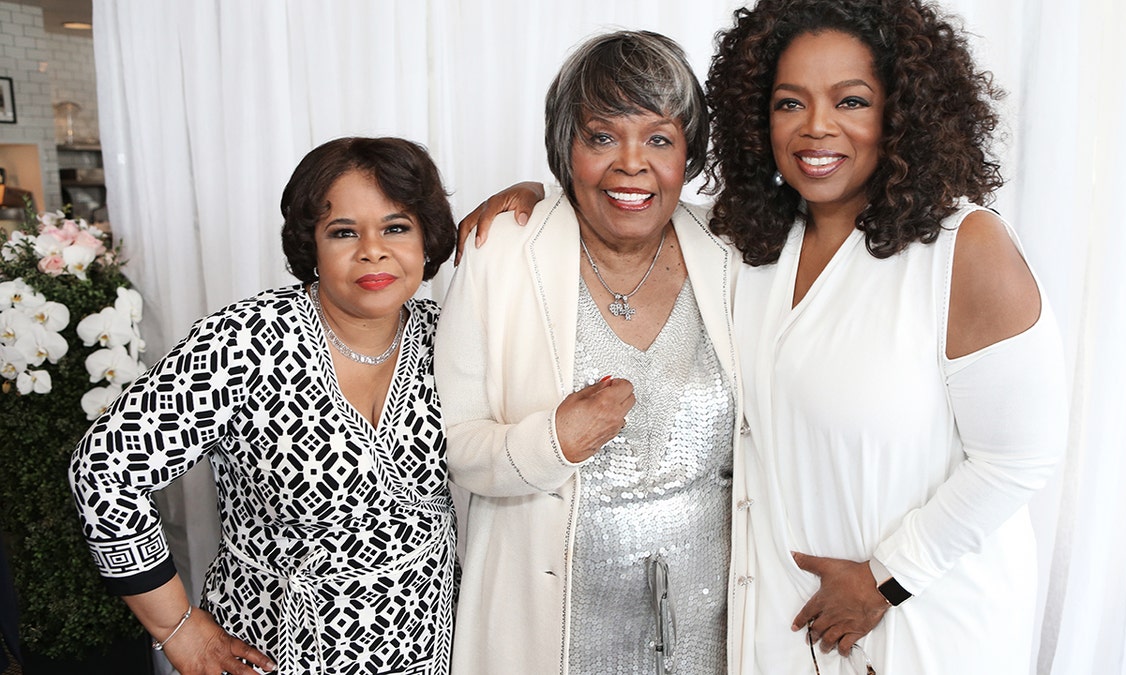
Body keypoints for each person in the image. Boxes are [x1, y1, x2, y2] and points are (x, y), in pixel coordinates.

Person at [460, 1, 1067, 672]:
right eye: (788, 103)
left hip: (924, 619)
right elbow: (629, 201)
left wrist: (887, 578)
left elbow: (1020, 459)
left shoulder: (965, 246)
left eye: (852, 100)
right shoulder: (752, 247)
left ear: (904, 109)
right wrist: (538, 202)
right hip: (783, 630)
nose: (816, 127)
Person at [69, 136, 458, 675]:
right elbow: (104, 470)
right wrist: (175, 628)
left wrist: (526, 196)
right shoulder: (246, 342)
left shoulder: (453, 340)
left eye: (396, 227)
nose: (373, 250)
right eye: (343, 231)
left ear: (427, 238)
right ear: (311, 246)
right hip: (271, 651)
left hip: (428, 650)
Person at [435, 31, 742, 675]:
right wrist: (555, 441)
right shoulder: (502, 255)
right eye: (602, 137)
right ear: (565, 149)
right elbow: (455, 446)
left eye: (659, 138)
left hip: (711, 636)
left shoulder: (736, 254)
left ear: (689, 153)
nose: (632, 164)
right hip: (549, 637)